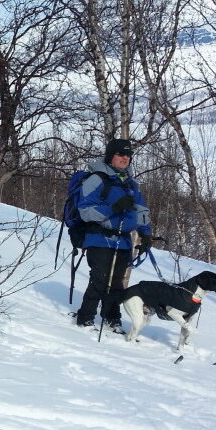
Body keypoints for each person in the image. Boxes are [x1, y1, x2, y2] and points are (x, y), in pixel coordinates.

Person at [74, 138, 152, 331]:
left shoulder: (131, 184)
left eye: (128, 155)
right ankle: (86, 317)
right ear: (110, 156)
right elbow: (85, 211)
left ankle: (112, 318)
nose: (125, 158)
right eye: (120, 154)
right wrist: (113, 208)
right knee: (100, 279)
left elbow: (141, 211)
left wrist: (146, 235)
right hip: (99, 238)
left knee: (117, 283)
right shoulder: (97, 179)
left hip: (123, 241)